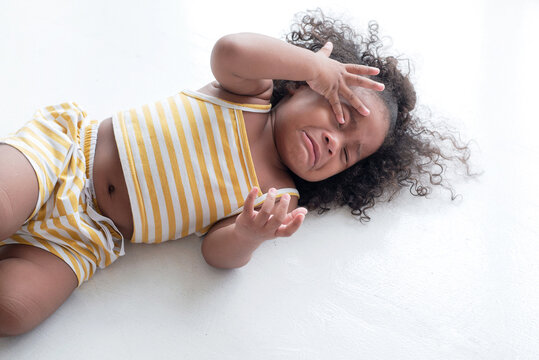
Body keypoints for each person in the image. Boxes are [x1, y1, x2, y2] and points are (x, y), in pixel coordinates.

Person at [0, 10, 470, 336]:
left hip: (92, 237)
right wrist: (312, 63)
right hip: (66, 156)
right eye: (341, 114)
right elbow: (231, 50)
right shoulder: (248, 95)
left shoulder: (278, 195)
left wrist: (248, 234)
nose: (335, 141)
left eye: (349, 154)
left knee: (16, 310)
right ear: (302, 85)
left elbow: (216, 253)